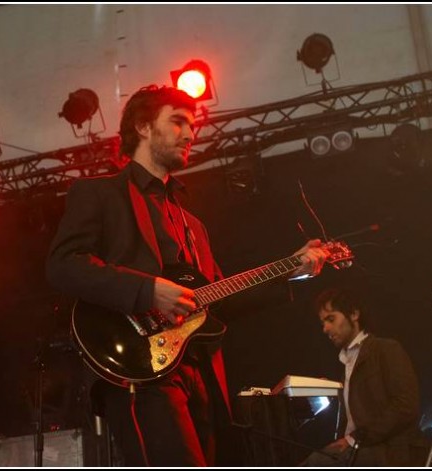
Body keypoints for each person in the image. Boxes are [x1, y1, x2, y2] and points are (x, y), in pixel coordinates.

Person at [46, 85, 327, 466]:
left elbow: (219, 299)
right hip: (139, 365)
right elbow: (63, 265)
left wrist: (289, 272)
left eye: (192, 125)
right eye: (177, 122)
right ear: (143, 127)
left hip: (199, 372)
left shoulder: (192, 223)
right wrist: (147, 291)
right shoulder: (99, 194)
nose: (190, 133)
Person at [302, 286, 426, 466]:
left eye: (331, 319)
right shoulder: (346, 362)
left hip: (389, 450)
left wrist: (354, 438)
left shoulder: (385, 349)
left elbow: (406, 406)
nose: (325, 329)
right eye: (323, 323)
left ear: (353, 314)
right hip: (362, 448)